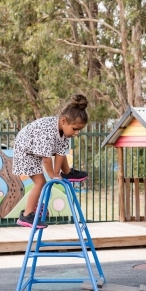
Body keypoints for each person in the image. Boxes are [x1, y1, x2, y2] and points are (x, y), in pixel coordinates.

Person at [12, 94, 89, 229]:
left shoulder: (63, 133)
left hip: (34, 149)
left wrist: (57, 173)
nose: (77, 133)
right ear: (64, 121)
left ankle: (68, 173)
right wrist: (53, 175)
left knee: (60, 154)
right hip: (25, 151)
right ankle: (26, 215)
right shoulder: (47, 131)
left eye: (79, 130)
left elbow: (60, 153)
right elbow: (46, 158)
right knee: (40, 182)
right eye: (75, 129)